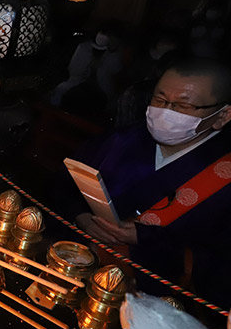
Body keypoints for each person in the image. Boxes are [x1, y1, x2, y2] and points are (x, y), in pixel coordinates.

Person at [72, 57, 231, 308]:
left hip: (150, 299)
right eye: (160, 99)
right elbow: (66, 183)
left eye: (183, 105)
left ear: (222, 116)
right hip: (80, 262)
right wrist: (80, 216)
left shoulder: (223, 175)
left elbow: (221, 266)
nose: (166, 112)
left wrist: (147, 238)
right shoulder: (124, 139)